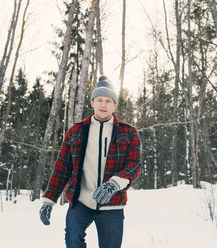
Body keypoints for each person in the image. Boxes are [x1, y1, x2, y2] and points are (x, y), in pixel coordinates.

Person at [39, 76, 142, 248]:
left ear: (115, 105)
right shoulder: (75, 131)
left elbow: (134, 165)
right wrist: (49, 200)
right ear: (92, 102)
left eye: (108, 101)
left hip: (112, 204)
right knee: (72, 241)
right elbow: (62, 169)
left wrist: (114, 184)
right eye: (100, 100)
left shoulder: (129, 131)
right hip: (81, 201)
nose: (103, 105)